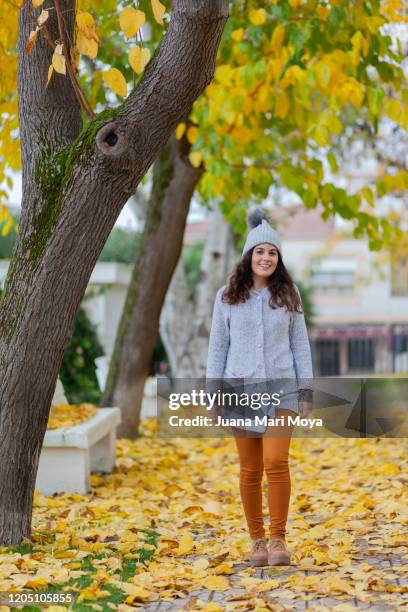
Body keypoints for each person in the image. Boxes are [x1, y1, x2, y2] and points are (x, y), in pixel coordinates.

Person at [205, 207, 313, 567]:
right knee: (249, 470)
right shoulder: (226, 297)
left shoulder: (289, 294)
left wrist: (305, 391)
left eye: (272, 252)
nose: (266, 258)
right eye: (260, 251)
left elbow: (301, 345)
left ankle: (279, 540)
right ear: (249, 256)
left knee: (275, 462)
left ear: (278, 259)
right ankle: (257, 542)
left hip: (282, 389)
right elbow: (218, 346)